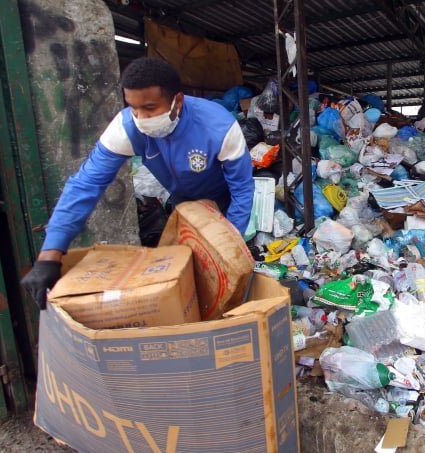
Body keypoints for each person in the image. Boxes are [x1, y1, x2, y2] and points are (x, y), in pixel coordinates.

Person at [21, 57, 255, 309]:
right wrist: (50, 254)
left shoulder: (218, 128)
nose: (141, 118)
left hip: (224, 204)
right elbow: (85, 185)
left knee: (231, 278)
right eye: (134, 108)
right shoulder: (126, 128)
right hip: (183, 205)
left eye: (150, 108)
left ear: (177, 100)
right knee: (193, 281)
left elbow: (241, 188)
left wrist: (230, 243)